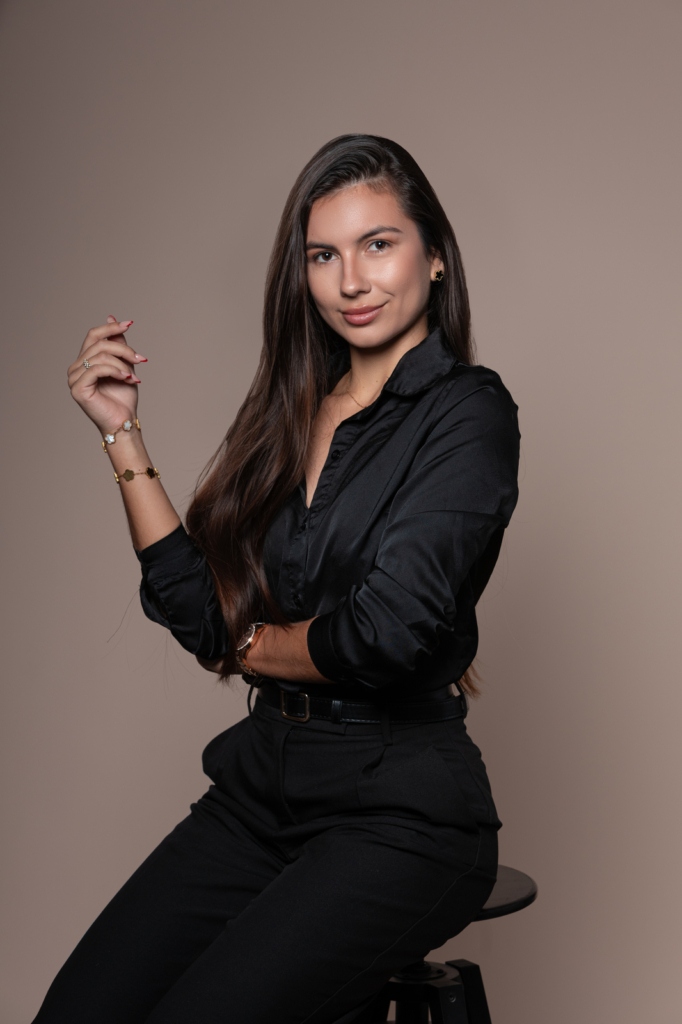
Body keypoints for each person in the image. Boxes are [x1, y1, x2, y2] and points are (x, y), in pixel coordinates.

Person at [35, 134, 520, 1024]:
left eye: (378, 244)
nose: (351, 280)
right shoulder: (288, 412)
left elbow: (385, 634)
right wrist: (120, 433)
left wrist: (252, 644)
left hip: (401, 809)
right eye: (323, 256)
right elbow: (201, 616)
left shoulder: (468, 411)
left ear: (435, 256)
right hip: (261, 788)